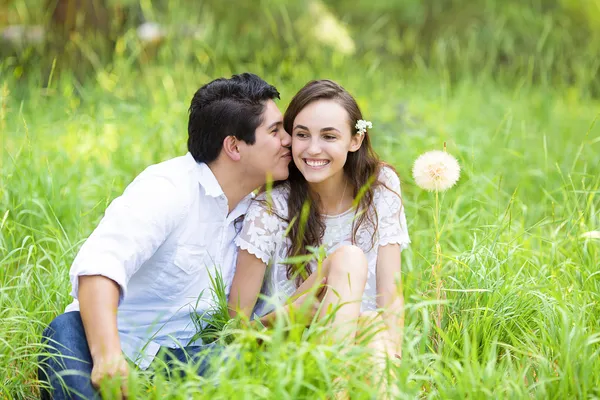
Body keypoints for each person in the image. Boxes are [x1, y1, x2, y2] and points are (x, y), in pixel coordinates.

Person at [38, 73, 292, 399]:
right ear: (234, 146)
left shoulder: (262, 212)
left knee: (249, 366)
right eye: (275, 131)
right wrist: (108, 355)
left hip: (182, 361)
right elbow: (101, 264)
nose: (288, 140)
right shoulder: (169, 188)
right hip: (102, 341)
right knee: (64, 342)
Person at [228, 79, 410, 365]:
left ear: (355, 140)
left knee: (376, 336)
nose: (313, 149)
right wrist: (291, 314)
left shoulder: (380, 186)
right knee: (348, 259)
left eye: (328, 136)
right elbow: (234, 329)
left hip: (363, 338)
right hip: (287, 347)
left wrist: (394, 359)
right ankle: (332, 380)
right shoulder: (272, 205)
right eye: (302, 135)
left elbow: (391, 295)